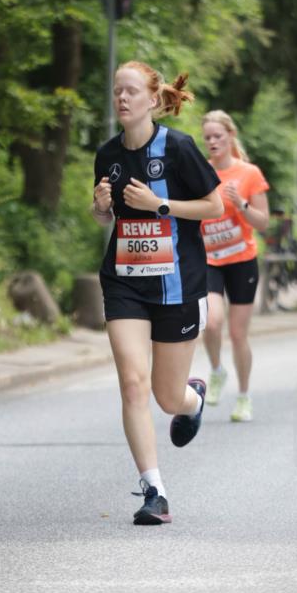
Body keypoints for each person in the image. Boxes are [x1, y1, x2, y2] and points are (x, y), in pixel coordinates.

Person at [92, 62, 222, 525]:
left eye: (130, 92)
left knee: (168, 397)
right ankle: (154, 491)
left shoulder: (179, 148)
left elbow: (215, 205)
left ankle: (193, 399)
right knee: (133, 383)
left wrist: (160, 204)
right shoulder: (107, 154)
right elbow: (105, 218)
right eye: (116, 92)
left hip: (178, 283)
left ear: (151, 99)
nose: (122, 99)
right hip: (125, 281)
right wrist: (101, 208)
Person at [200, 110, 270, 422]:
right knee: (211, 322)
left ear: (230, 136)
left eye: (218, 136)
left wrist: (240, 205)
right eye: (208, 138)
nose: (213, 142)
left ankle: (244, 397)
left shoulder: (249, 173)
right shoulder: (200, 171)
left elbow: (263, 222)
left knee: (238, 334)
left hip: (242, 261)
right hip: (209, 260)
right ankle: (216, 370)